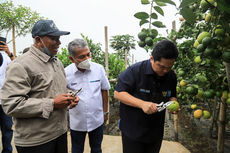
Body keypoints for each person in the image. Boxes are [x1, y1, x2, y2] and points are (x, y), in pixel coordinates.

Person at [0, 19, 79, 153]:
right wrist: (53, 103)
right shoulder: (21, 65)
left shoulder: (56, 62)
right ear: (38, 40)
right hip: (36, 141)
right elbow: (11, 104)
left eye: (59, 38)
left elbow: (56, 88)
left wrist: (70, 96)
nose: (59, 43)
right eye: (54, 39)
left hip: (59, 133)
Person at [114, 39, 180, 153]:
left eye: (169, 67)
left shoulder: (171, 76)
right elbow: (118, 93)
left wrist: (172, 103)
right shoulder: (134, 71)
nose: (165, 70)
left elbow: (172, 95)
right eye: (162, 66)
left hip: (155, 131)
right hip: (133, 130)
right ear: (152, 59)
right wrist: (142, 104)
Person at [65, 38, 111, 153]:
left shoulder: (98, 69)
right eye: (82, 57)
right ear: (72, 59)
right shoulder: (66, 73)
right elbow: (62, 95)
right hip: (77, 121)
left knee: (96, 149)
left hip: (96, 120)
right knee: (77, 149)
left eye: (88, 54)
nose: (87, 59)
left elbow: (104, 90)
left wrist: (105, 112)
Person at [0, 42, 15, 153]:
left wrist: (9, 53)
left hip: (4, 102)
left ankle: (7, 151)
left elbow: (18, 66)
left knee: (7, 129)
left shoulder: (6, 58)